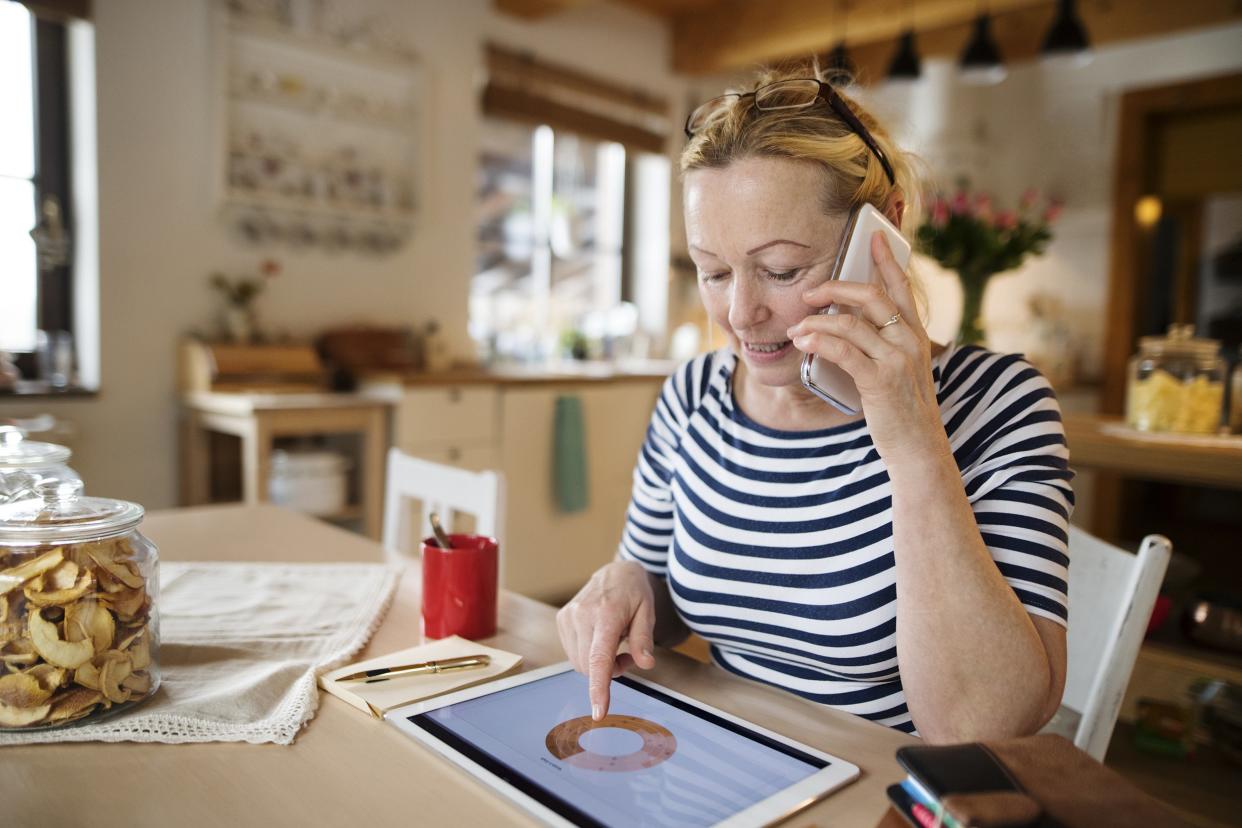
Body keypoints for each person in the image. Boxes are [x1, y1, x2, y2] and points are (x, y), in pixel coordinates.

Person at [556, 65, 1073, 743]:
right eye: (712, 271)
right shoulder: (694, 395)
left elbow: (983, 725)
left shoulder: (998, 404)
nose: (740, 314)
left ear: (882, 235)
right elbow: (662, 592)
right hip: (734, 770)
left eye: (781, 270)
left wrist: (913, 441)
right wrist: (624, 586)